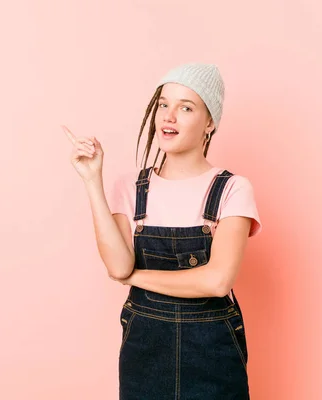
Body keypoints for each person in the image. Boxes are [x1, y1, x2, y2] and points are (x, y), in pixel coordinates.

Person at [63, 63, 262, 399]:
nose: (169, 116)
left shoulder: (232, 189)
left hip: (212, 356)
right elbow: (118, 266)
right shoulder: (130, 187)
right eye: (164, 104)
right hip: (145, 352)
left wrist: (135, 278)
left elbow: (216, 281)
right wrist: (92, 180)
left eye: (186, 107)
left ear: (210, 122)